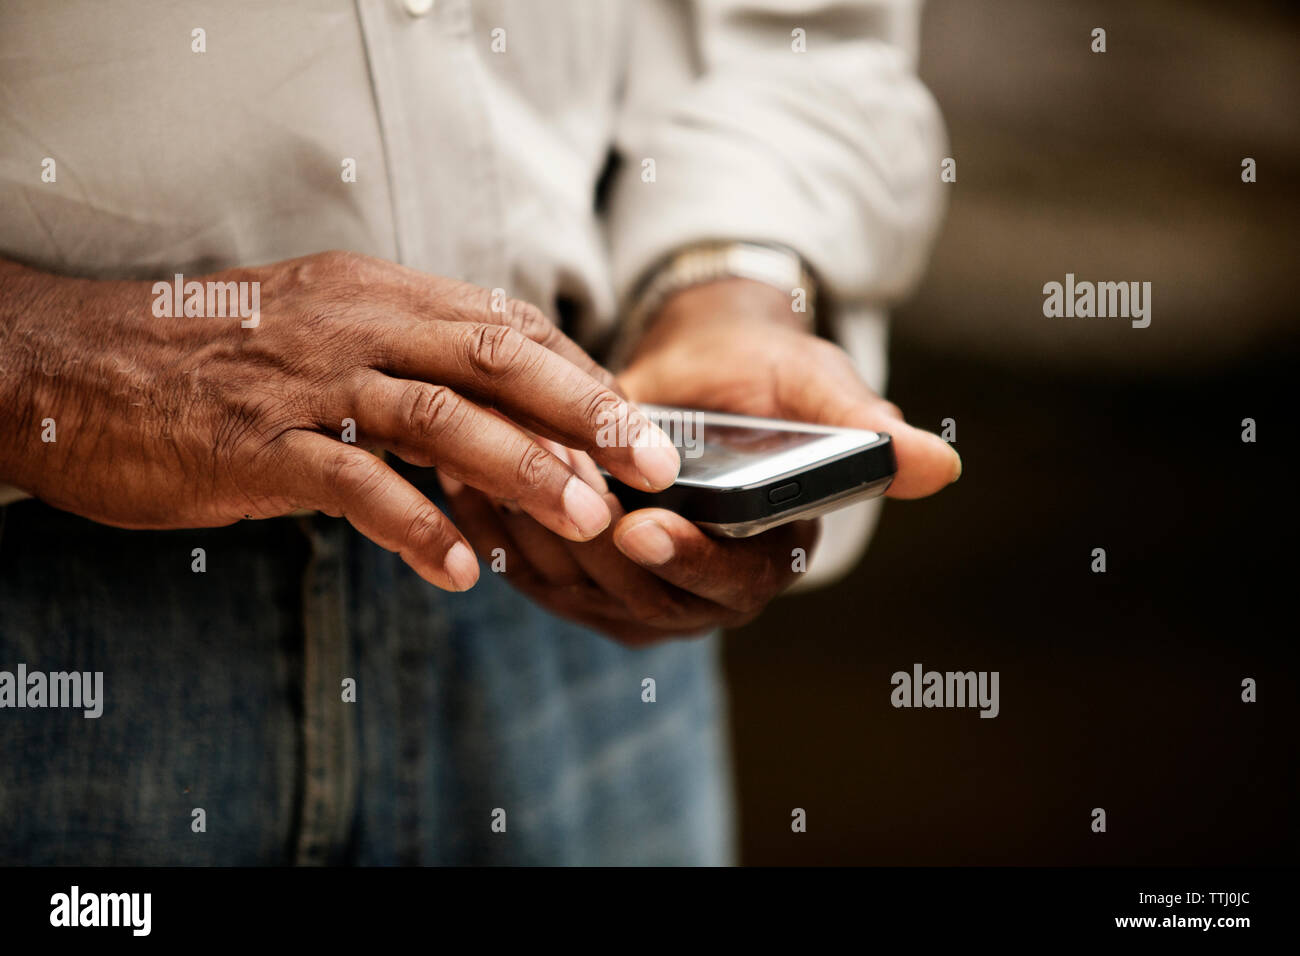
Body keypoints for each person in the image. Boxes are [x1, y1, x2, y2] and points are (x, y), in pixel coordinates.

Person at [0, 0, 959, 864]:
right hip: (58, 601)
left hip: (553, 584)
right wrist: (32, 363)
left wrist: (720, 281)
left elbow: (792, 30)